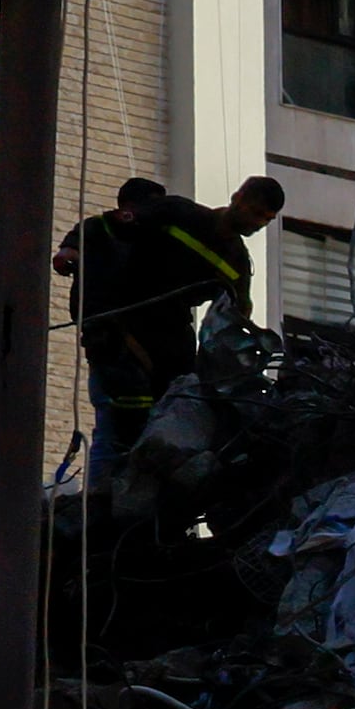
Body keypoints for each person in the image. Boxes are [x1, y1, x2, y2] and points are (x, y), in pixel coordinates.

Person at [56, 173, 282, 481]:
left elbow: (236, 318)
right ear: (238, 197)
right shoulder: (179, 213)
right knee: (119, 424)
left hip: (169, 343)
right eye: (256, 212)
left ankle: (141, 500)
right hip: (121, 327)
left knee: (169, 420)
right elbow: (103, 226)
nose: (257, 223)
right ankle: (101, 497)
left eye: (265, 220)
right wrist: (71, 248)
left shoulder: (237, 262)